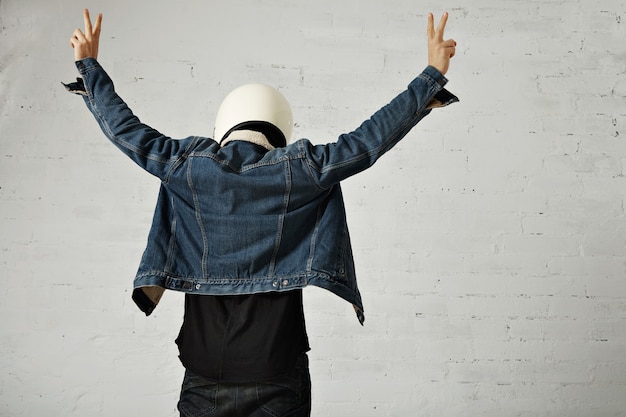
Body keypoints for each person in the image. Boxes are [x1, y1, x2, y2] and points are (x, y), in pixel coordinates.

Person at [67, 8, 458, 417]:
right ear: (279, 129)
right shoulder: (302, 170)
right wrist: (430, 75)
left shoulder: (186, 167)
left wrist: (89, 67)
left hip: (205, 374)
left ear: (226, 125)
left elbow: (125, 130)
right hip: (278, 370)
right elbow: (368, 141)